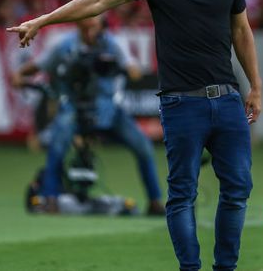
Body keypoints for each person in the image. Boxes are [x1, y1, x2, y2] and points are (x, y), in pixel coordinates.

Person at [8, 0, 263, 271]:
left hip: (227, 99)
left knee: (239, 189)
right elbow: (97, 1)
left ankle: (226, 267)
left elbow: (241, 30)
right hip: (181, 103)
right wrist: (43, 20)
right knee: (182, 195)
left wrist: (255, 86)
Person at [11, 15, 164, 215]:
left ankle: (155, 201)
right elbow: (41, 64)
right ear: (79, 23)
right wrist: (20, 74)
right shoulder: (65, 45)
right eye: (87, 21)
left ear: (102, 25)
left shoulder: (112, 44)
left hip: (108, 108)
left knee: (143, 146)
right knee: (57, 145)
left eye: (95, 22)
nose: (91, 27)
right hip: (74, 106)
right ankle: (50, 199)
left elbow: (132, 67)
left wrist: (128, 68)